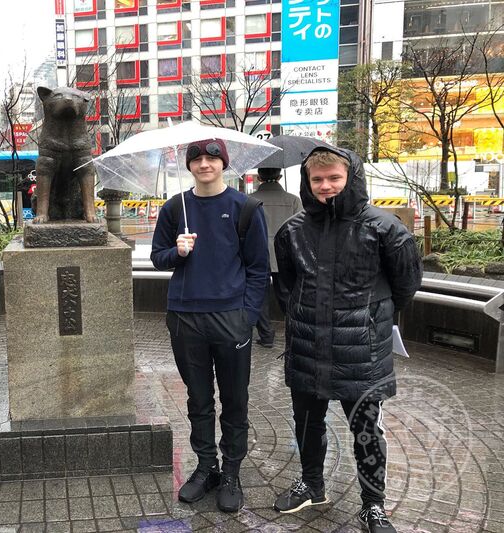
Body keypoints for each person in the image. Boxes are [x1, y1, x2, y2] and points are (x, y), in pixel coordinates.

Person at [272, 147, 422, 533]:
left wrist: (370, 316)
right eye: (317, 180)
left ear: (350, 178)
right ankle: (312, 484)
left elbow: (405, 286)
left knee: (367, 430)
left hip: (362, 349)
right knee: (307, 423)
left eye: (334, 178)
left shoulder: (385, 229)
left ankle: (373, 504)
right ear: (307, 183)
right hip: (307, 345)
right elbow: (286, 287)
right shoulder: (292, 230)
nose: (325, 187)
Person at [151, 139, 269, 513]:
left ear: (223, 164)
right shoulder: (175, 208)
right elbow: (157, 258)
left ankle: (231, 470)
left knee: (235, 399)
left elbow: (258, 268)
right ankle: (206, 467)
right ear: (189, 166)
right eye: (197, 159)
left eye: (211, 158)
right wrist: (178, 251)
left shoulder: (245, 208)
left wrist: (246, 318)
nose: (204, 164)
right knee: (198, 399)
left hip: (230, 318)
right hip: (185, 317)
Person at [249, 167, 303, 347]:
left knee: (259, 297)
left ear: (259, 177)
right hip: (286, 255)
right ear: (279, 176)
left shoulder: (249, 200)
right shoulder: (293, 200)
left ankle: (266, 336)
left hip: (257, 254)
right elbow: (301, 229)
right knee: (288, 296)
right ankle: (296, 333)